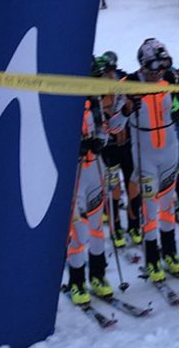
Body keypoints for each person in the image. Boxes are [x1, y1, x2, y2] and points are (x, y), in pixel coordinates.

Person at [120, 39, 179, 282]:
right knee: (150, 208)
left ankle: (169, 252)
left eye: (163, 65)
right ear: (143, 64)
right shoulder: (129, 84)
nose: (159, 72)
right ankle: (152, 258)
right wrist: (127, 109)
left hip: (169, 150)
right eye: (154, 66)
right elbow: (114, 125)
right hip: (145, 153)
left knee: (168, 206)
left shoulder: (169, 80)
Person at [65, 97, 115, 305]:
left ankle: (98, 275)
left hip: (95, 170)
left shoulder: (93, 100)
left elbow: (104, 129)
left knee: (97, 228)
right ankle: (76, 281)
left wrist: (101, 141)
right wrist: (73, 146)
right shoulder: (62, 100)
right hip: (74, 174)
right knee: (78, 232)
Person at [91, 52, 137, 248]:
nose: (111, 75)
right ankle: (115, 226)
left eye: (112, 71)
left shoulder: (120, 85)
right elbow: (104, 125)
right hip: (108, 147)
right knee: (113, 188)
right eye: (107, 73)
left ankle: (134, 224)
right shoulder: (95, 95)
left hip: (126, 143)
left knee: (132, 183)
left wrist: (131, 106)